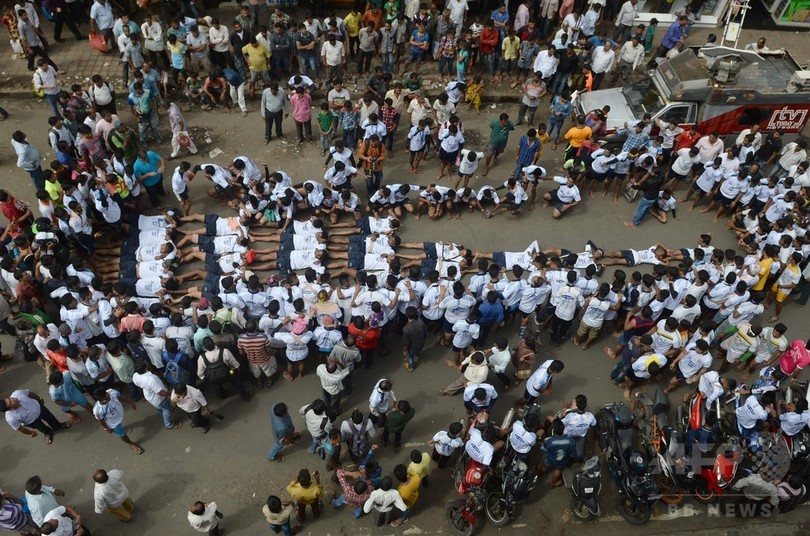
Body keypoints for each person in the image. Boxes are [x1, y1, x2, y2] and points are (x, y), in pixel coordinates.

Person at [0, 388, 70, 444]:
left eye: (9, 398)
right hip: (32, 422)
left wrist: (39, 398)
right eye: (11, 402)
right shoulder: (10, 418)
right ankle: (48, 433)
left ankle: (57, 426)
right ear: (9, 409)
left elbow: (31, 394)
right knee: (41, 428)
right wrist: (30, 433)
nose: (12, 399)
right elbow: (20, 428)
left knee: (50, 418)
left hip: (40, 408)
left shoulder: (17, 393)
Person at [92, 388, 144, 454]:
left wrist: (131, 403)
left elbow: (120, 396)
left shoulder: (112, 392)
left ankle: (123, 429)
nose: (109, 397)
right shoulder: (98, 410)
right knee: (123, 435)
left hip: (120, 414)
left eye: (108, 395)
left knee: (121, 427)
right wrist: (106, 428)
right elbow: (100, 420)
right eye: (107, 398)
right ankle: (131, 444)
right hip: (113, 424)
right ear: (100, 401)